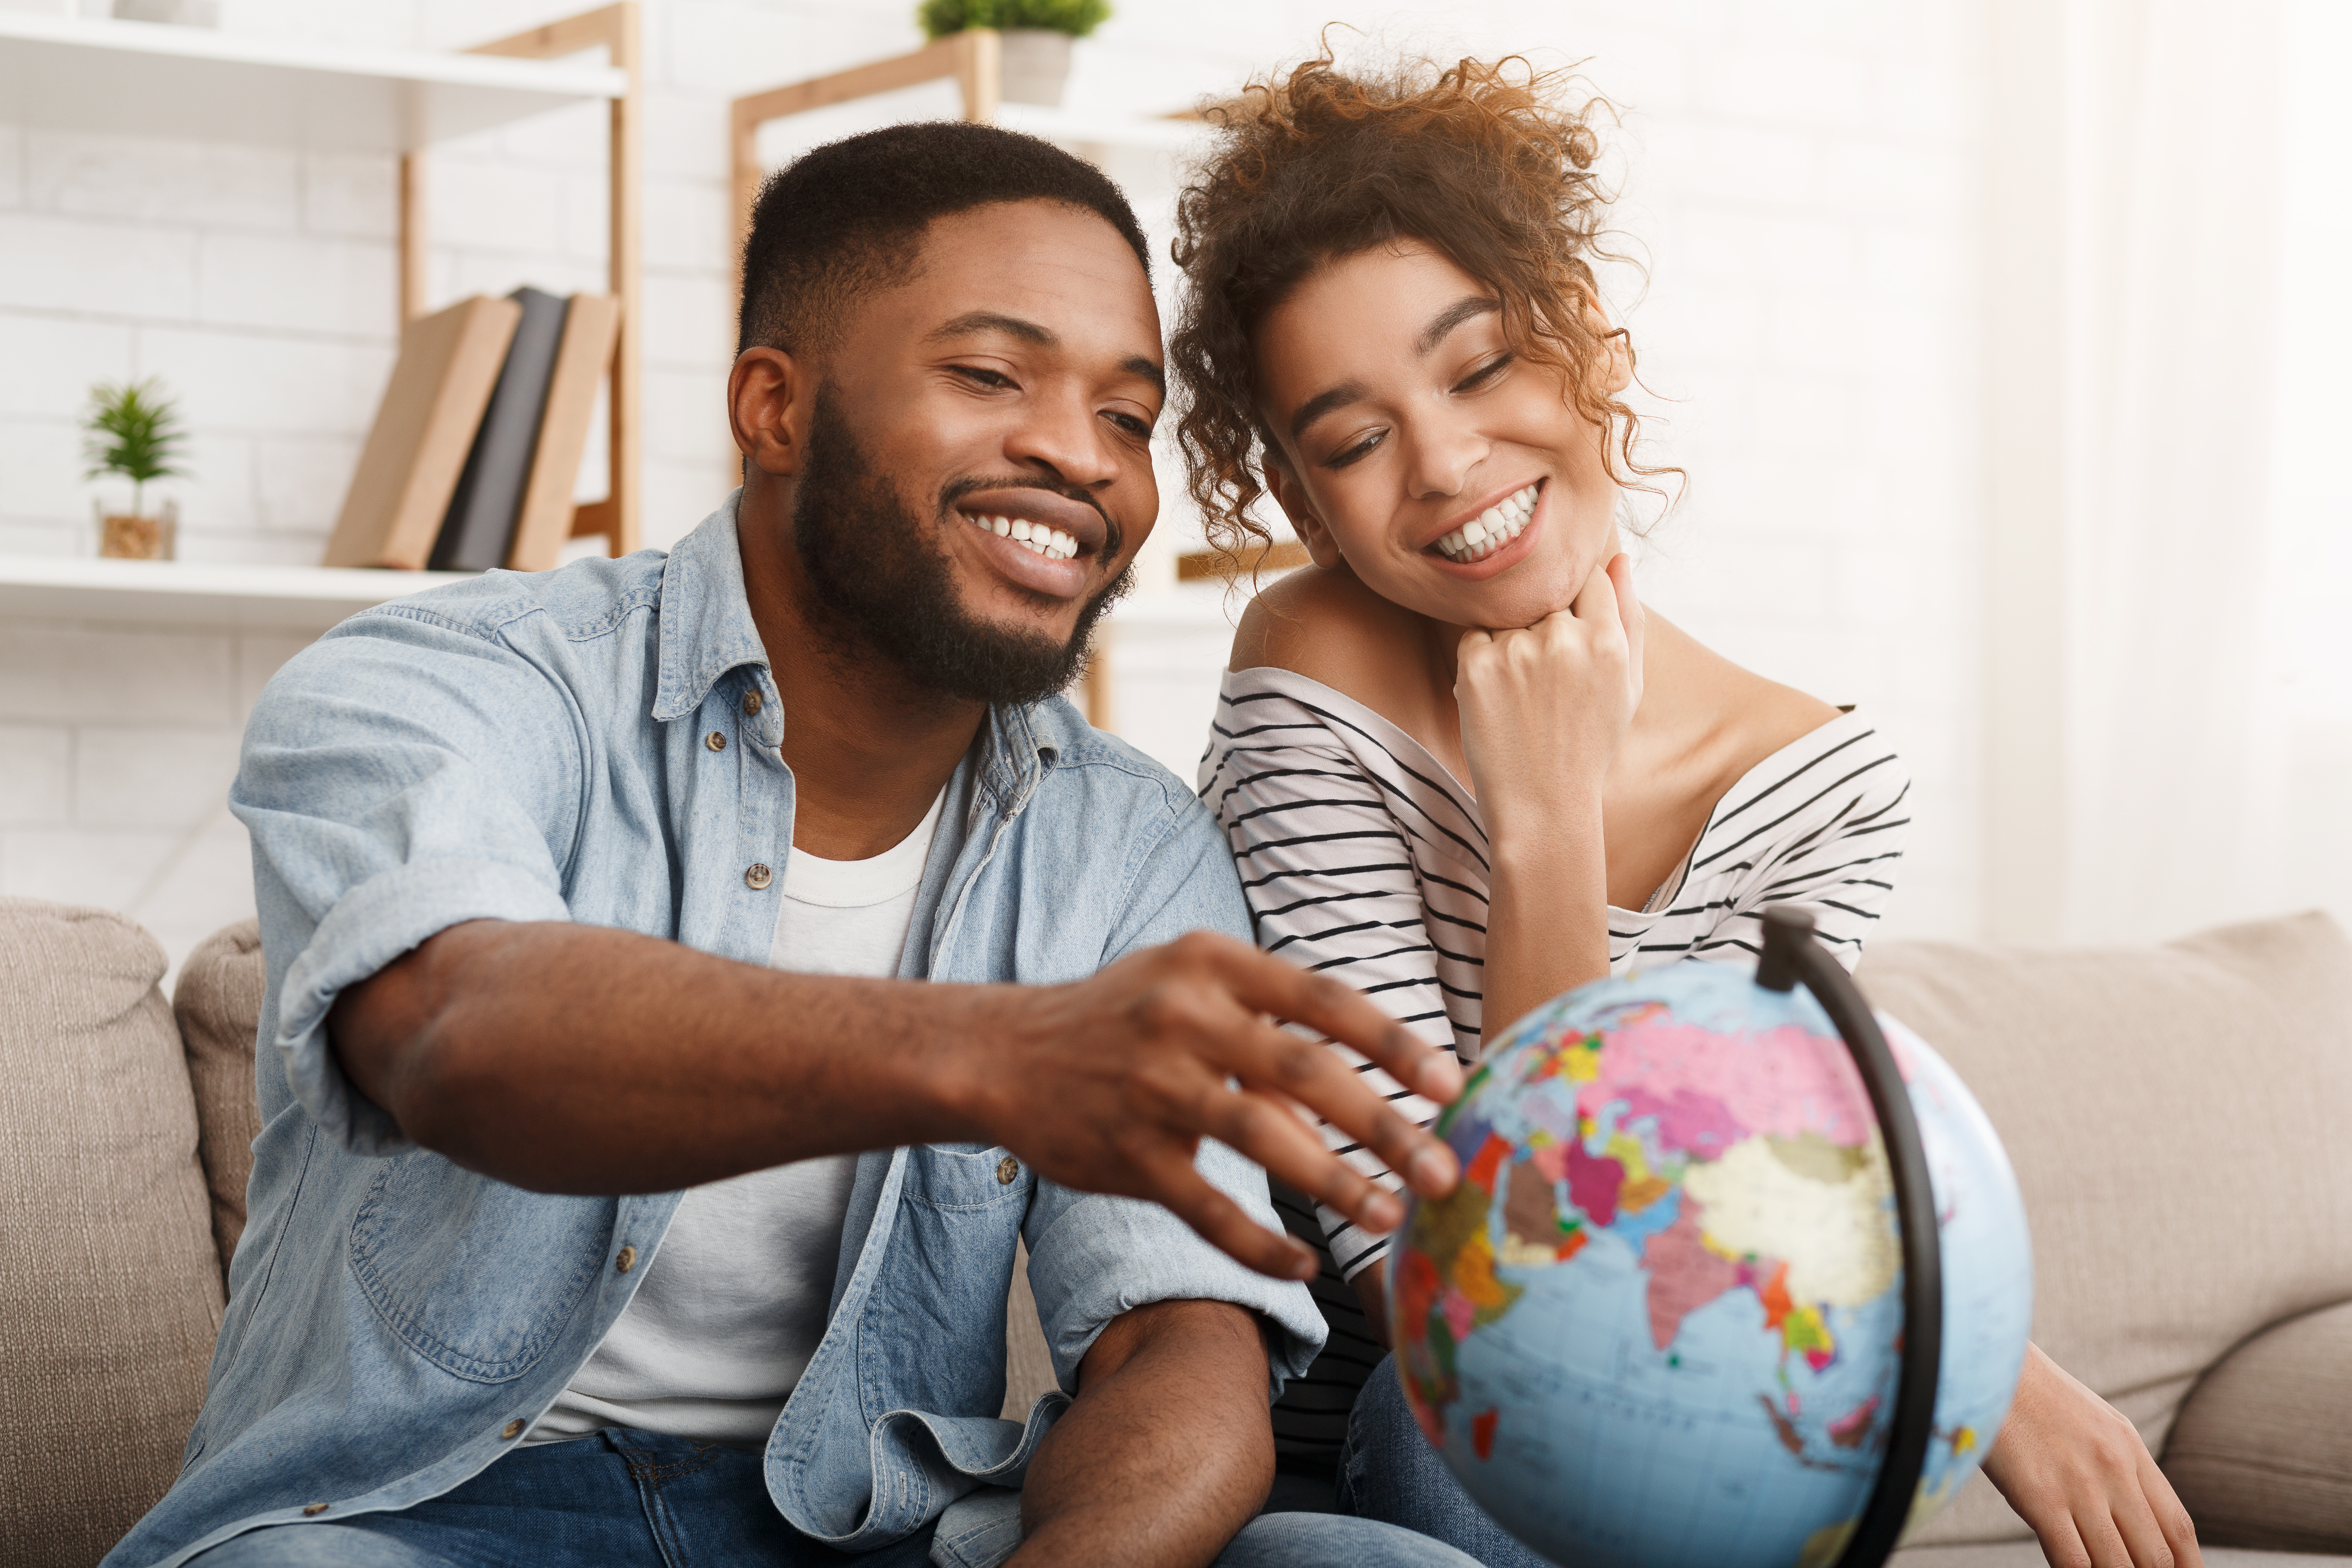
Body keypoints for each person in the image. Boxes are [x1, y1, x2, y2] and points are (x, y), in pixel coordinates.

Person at [105, 122, 1483, 1568]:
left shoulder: (1127, 846)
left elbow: (1177, 1342)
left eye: (1129, 417)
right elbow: (455, 1031)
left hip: (879, 1535)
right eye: (990, 375)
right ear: (773, 407)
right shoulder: (445, 685)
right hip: (419, 1522)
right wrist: (997, 1051)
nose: (1082, 456)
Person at [1169, 55, 2205, 1568]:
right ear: (1303, 497)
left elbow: (1750, 1254)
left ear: (1590, 336)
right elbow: (1463, 1272)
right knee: (1466, 1421)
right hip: (1389, 1447)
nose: (1447, 465)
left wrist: (1982, 1366)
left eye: (1478, 368)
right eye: (1353, 439)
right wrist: (1541, 819)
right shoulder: (1313, 672)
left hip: (1687, 1446)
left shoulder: (1823, 790)